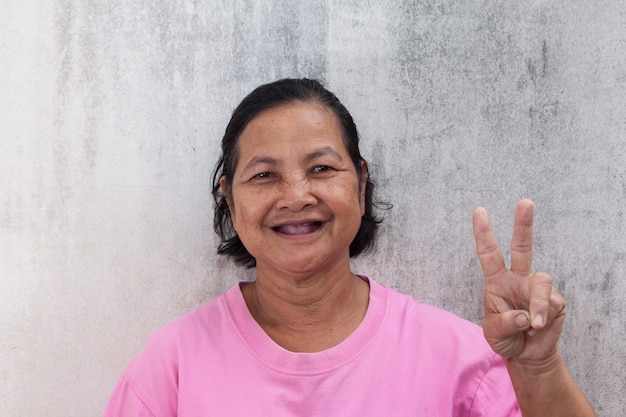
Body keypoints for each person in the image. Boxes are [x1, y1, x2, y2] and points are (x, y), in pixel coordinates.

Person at [104, 78, 596, 416]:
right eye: (264, 175)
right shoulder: (173, 364)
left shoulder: (460, 356)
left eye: (321, 168)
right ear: (229, 200)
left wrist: (538, 367)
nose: (296, 196)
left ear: (360, 185)